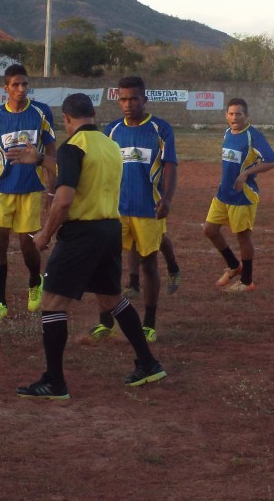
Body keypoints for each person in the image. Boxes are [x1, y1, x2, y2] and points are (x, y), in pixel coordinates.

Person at [11, 93, 166, 399]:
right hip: (109, 229)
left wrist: (44, 234)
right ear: (92, 114)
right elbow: (84, 171)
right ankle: (148, 363)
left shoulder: (73, 146)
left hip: (82, 234)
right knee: (111, 300)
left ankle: (54, 382)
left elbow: (65, 199)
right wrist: (42, 159)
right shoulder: (109, 145)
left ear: (66, 119)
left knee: (53, 304)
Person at [80, 76, 182, 345]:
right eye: (123, 99)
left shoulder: (161, 129)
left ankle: (149, 324)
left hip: (148, 207)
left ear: (144, 100)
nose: (128, 104)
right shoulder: (112, 130)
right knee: (105, 264)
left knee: (148, 263)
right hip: (115, 209)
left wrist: (168, 199)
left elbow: (170, 165)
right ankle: (106, 322)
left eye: (134, 98)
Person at [0, 63, 56, 322]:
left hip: (32, 188)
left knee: (27, 243)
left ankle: (35, 282)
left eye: (24, 84)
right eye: (15, 85)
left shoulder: (41, 113)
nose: (21, 89)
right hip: (2, 188)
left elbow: (51, 153)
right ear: (6, 88)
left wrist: (51, 189)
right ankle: (0, 303)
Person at [202, 98, 274, 292]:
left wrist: (246, 173)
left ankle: (247, 281)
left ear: (246, 116)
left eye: (238, 114)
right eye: (231, 113)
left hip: (242, 196)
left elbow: (272, 161)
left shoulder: (253, 136)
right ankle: (234, 266)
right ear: (226, 115)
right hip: (223, 193)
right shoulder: (228, 132)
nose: (234, 117)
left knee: (243, 237)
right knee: (210, 230)